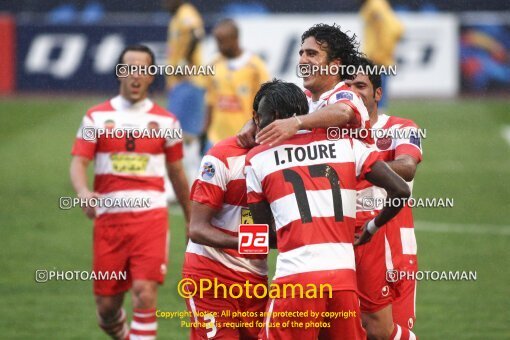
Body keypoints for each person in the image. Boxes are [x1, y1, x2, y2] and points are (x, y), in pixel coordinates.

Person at [245, 80, 411, 340]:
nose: (257, 124)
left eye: (259, 117)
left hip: (295, 279)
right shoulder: (347, 145)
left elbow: (265, 233)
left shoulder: (256, 158)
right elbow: (401, 190)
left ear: (275, 117)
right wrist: (370, 228)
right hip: (343, 281)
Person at [70, 45, 190, 340]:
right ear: (120, 73)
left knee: (144, 292)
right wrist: (84, 191)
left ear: (151, 76)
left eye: (144, 69)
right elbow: (79, 162)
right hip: (109, 221)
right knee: (107, 307)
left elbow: (177, 173)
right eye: (130, 68)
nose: (136, 75)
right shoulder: (95, 118)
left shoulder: (167, 122)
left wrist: (191, 218)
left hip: (151, 218)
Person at [348, 57, 421, 339]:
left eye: (361, 85)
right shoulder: (336, 135)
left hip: (393, 245)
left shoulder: (400, 128)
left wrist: (357, 169)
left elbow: (407, 166)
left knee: (388, 333)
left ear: (378, 93)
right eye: (348, 86)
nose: (353, 92)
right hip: (350, 245)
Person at [182, 133, 268, 339]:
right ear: (256, 117)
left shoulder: (283, 157)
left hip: (255, 278)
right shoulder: (221, 156)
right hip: (212, 275)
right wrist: (246, 241)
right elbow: (196, 229)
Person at [237, 23, 372, 149]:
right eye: (301, 54)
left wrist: (297, 122)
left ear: (334, 65)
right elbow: (271, 112)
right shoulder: (305, 98)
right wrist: (254, 123)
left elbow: (343, 112)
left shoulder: (346, 95)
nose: (302, 61)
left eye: (312, 54)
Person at [203, 18, 269, 148]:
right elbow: (210, 101)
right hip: (215, 138)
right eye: (217, 41)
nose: (219, 46)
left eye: (223, 42)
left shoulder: (256, 67)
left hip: (245, 137)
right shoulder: (214, 64)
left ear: (235, 39)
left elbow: (265, 104)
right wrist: (204, 132)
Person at [163, 0, 206, 182]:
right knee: (179, 132)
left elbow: (196, 34)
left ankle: (189, 179)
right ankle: (185, 178)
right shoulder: (177, 17)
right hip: (180, 82)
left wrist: (183, 64)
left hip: (189, 81)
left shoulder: (186, 13)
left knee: (182, 133)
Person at [360, 0, 404, 111]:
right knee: (377, 91)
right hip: (379, 56)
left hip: (377, 57)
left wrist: (381, 52)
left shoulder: (375, 5)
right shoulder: (378, 4)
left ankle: (377, 118)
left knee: (375, 93)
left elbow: (388, 29)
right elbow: (396, 28)